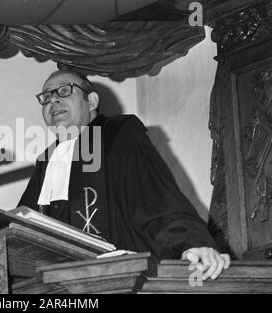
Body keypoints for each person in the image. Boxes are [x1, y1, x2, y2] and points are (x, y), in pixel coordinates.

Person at [18, 70, 230, 280]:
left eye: (64, 91)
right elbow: (23, 226)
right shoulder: (47, 161)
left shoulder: (118, 133)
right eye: (46, 97)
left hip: (120, 277)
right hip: (64, 283)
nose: (53, 100)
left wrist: (191, 243)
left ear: (91, 101)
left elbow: (154, 197)